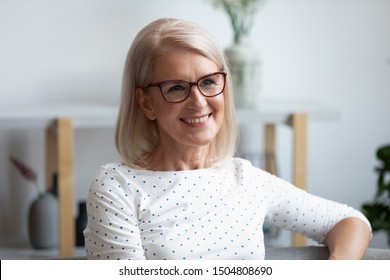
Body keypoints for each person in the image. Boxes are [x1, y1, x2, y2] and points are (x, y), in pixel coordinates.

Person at [84, 18, 371, 260]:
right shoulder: (116, 189)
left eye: (209, 82)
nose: (198, 102)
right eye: (176, 88)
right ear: (146, 104)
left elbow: (351, 222)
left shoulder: (246, 180)